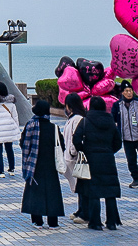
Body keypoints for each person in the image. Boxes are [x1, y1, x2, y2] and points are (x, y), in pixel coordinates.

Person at [73, 96, 123, 231]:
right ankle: (112, 222)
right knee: (110, 191)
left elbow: (76, 139)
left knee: (93, 191)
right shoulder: (110, 120)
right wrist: (109, 151)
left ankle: (95, 222)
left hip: (91, 159)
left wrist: (83, 150)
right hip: (107, 159)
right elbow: (118, 142)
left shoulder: (85, 121)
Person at [20, 100, 65, 229]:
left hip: (34, 165)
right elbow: (61, 145)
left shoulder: (30, 126)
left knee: (35, 191)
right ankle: (53, 222)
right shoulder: (54, 128)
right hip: (51, 165)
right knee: (52, 192)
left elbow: (23, 144)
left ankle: (37, 221)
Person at [110, 80, 138, 189]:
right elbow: (113, 118)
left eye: (130, 91)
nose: (129, 93)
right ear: (122, 93)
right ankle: (136, 179)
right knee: (131, 160)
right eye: (127, 91)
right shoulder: (117, 105)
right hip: (127, 139)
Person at [62, 92, 88, 223]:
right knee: (77, 185)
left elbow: (75, 137)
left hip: (75, 157)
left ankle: (84, 211)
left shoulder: (78, 119)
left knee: (81, 184)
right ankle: (80, 209)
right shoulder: (73, 118)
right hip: (70, 156)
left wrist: (72, 152)